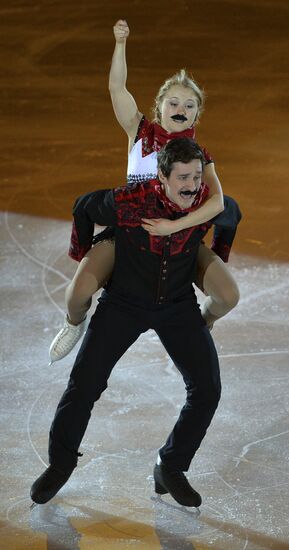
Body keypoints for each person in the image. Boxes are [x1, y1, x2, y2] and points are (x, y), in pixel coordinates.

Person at [31, 138, 223, 508]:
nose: (192, 185)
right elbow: (83, 206)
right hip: (124, 304)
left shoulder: (204, 203)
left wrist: (216, 259)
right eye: (183, 177)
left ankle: (171, 466)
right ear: (162, 177)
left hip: (178, 306)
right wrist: (87, 254)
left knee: (207, 389)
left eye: (197, 176)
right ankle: (60, 464)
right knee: (84, 384)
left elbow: (228, 214)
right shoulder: (129, 201)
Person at [48, 19, 241, 364]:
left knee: (227, 295)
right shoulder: (139, 132)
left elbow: (218, 202)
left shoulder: (199, 156)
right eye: (173, 103)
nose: (180, 110)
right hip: (129, 237)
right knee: (76, 294)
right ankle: (74, 324)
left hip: (179, 242)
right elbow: (116, 87)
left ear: (197, 114)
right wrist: (120, 43)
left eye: (189, 105)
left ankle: (200, 326)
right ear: (159, 107)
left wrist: (173, 227)